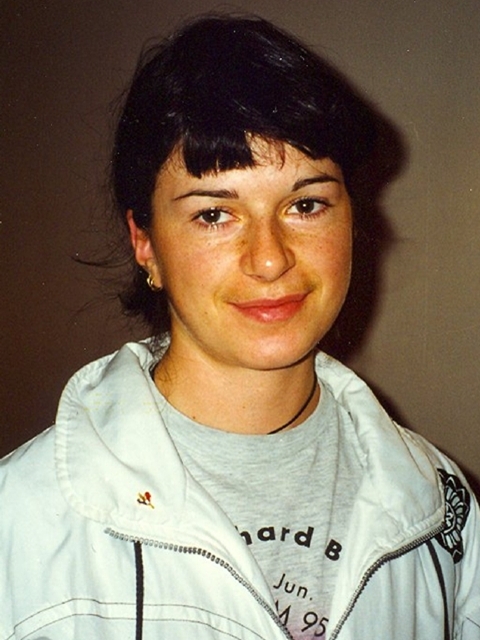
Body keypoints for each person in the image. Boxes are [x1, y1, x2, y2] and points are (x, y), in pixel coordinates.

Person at [1, 14, 479, 640]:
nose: (271, 259)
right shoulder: (19, 519)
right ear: (145, 242)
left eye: (306, 204)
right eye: (214, 215)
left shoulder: (441, 505)